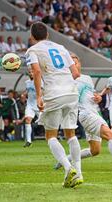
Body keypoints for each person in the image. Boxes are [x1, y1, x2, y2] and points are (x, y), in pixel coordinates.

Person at [54, 53, 112, 171]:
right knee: (111, 135)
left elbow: (93, 95)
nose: (74, 64)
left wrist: (98, 98)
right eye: (71, 63)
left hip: (94, 112)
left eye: (76, 62)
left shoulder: (87, 78)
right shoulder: (67, 81)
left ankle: (65, 159)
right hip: (85, 114)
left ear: (79, 64)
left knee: (95, 150)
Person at [25, 22, 82, 188]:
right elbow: (76, 73)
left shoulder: (32, 50)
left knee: (50, 135)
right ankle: (78, 173)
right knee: (70, 134)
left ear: (32, 37)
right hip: (72, 92)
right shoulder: (61, 47)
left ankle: (68, 168)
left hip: (54, 93)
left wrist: (38, 96)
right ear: (47, 35)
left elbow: (36, 72)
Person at [23, 69, 42, 147]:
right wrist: (24, 94)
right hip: (30, 105)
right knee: (28, 120)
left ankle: (53, 137)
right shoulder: (27, 82)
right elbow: (27, 91)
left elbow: (43, 92)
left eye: (32, 72)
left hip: (39, 105)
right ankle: (28, 141)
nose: (31, 73)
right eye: (29, 72)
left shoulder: (40, 81)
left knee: (46, 123)